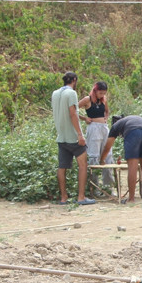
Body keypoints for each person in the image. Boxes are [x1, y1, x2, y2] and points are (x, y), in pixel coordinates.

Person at [51, 72, 96, 206]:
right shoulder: (71, 94)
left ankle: (63, 197)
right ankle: (81, 197)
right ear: (74, 80)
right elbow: (72, 113)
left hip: (61, 136)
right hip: (73, 137)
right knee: (83, 165)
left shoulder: (55, 93)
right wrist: (80, 135)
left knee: (62, 167)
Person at [100, 115, 142, 204]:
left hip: (133, 132)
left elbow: (108, 146)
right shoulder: (130, 120)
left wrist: (102, 159)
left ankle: (131, 199)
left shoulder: (115, 126)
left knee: (132, 165)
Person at [78, 81, 115, 191]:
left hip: (103, 128)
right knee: (94, 156)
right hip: (93, 127)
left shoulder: (104, 100)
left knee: (107, 155)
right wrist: (85, 118)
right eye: (100, 93)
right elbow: (73, 109)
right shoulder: (87, 99)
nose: (102, 95)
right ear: (95, 91)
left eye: (104, 93)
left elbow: (107, 111)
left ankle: (109, 187)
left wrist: (106, 118)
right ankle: (94, 188)